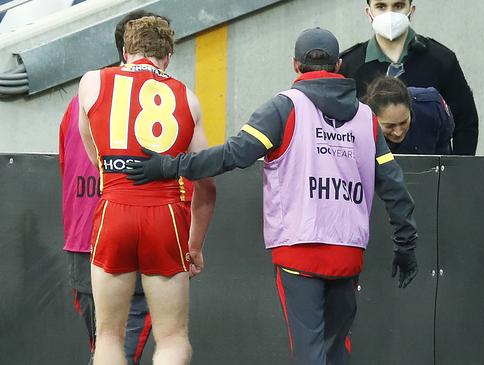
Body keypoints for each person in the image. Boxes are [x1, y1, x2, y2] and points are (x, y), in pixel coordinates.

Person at [125, 27, 418, 365]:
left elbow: (231, 155)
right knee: (337, 350)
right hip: (347, 253)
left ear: (296, 65)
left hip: (298, 252)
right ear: (338, 64)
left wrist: (169, 165)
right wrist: (406, 244)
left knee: (309, 351)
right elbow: (394, 186)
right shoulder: (366, 119)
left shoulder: (284, 108)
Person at [77, 16, 216, 365]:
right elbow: (207, 182)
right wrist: (194, 245)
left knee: (108, 336)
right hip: (166, 215)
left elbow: (93, 149)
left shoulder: (92, 82)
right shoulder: (188, 97)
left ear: (125, 52)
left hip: (115, 208)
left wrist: (116, 177)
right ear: (167, 56)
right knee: (171, 339)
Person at [58, 10, 185, 365]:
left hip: (84, 242)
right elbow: (185, 176)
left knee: (105, 345)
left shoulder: (79, 101)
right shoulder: (169, 101)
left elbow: (67, 167)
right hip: (136, 238)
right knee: (139, 343)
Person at [340, 0, 479, 155]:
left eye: (398, 6)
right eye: (381, 6)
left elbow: (466, 122)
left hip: (431, 173)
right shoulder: (350, 65)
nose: (390, 14)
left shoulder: (441, 59)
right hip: (369, 174)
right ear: (368, 12)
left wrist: (457, 172)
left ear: (411, 10)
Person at [363, 76, 454, 154]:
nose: (398, 132)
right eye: (390, 126)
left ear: (410, 109)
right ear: (373, 118)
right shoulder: (358, 126)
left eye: (403, 122)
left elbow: (443, 156)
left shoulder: (432, 108)